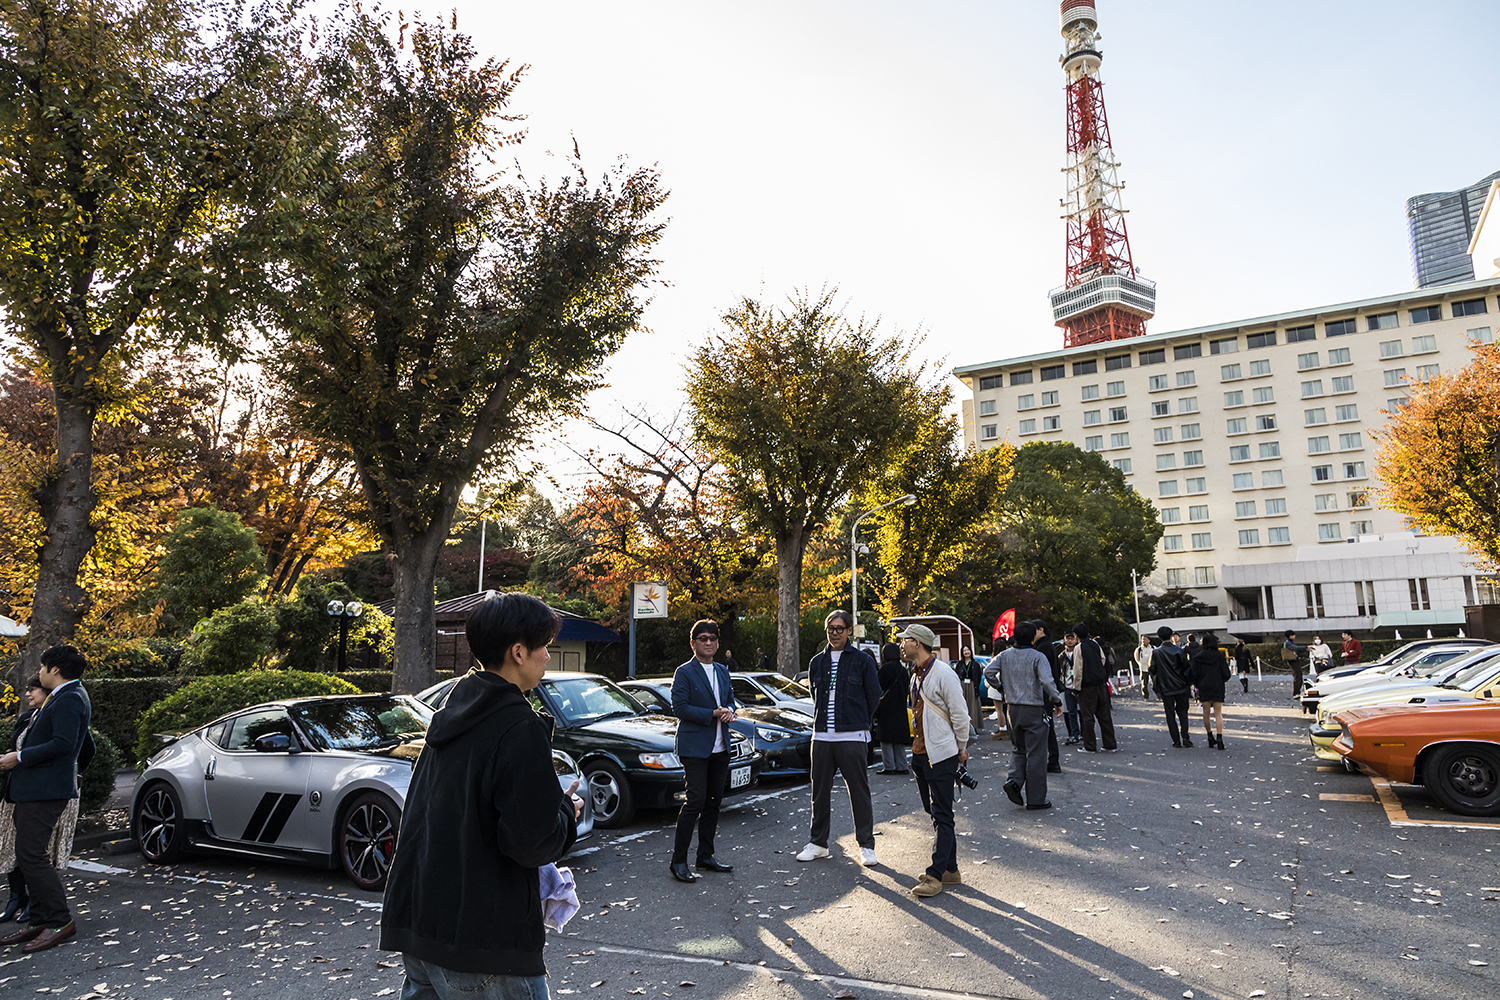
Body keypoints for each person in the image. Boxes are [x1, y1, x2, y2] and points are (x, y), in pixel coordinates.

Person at [379, 593, 582, 999]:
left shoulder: (451, 715)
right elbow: (531, 842)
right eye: (544, 647)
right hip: (485, 942)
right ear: (519, 652)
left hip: (420, 926)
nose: (547, 656)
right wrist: (564, 812)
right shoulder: (517, 726)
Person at [0, 645, 95, 954]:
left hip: (45, 790)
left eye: (42, 667)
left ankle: (59, 920)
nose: (39, 673)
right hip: (35, 789)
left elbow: (65, 745)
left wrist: (19, 756)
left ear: (55, 669)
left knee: (31, 855)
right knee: (29, 854)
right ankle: (40, 919)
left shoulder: (69, 698)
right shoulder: (64, 696)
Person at [796, 611, 881, 867]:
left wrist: (861, 723)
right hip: (821, 735)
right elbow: (815, 694)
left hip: (852, 735)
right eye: (831, 628)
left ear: (848, 631)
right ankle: (818, 843)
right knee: (819, 792)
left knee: (859, 791)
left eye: (840, 628)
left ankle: (866, 845)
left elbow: (874, 695)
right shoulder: (816, 663)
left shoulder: (862, 661)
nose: (835, 632)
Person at [897, 624, 969, 900]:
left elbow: (960, 714)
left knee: (942, 814)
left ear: (918, 643)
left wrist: (961, 748)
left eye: (905, 640)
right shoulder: (915, 675)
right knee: (934, 811)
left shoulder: (943, 674)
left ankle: (936, 874)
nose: (901, 645)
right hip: (920, 753)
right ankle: (950, 869)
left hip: (940, 754)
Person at [665, 619, 738, 883]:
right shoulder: (684, 672)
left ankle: (705, 856)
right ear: (693, 642)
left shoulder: (722, 670)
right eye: (703, 638)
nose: (708, 642)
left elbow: (729, 698)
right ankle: (678, 861)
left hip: (720, 747)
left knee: (713, 803)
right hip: (695, 747)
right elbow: (680, 708)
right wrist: (713, 714)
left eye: (712, 638)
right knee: (694, 801)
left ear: (718, 643)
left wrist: (730, 709)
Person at [993, 622, 1063, 812]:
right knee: (1036, 754)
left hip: (1012, 709)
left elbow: (988, 672)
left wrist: (1000, 687)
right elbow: (1047, 681)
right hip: (1033, 708)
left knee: (1018, 748)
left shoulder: (1004, 655)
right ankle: (1036, 799)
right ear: (1032, 638)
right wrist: (1056, 700)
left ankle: (1014, 781)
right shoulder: (1037, 656)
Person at [0, 677, 47, 924]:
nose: (28, 694)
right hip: (15, 791)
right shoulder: (27, 717)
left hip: (38, 793)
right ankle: (16, 898)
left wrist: (76, 771)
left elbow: (78, 748)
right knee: (12, 847)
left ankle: (38, 904)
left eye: (33, 689)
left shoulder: (54, 715)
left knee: (32, 851)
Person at [1071, 624, 1118, 753]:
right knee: (1104, 715)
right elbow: (1103, 659)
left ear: (1076, 635)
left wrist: (1076, 688)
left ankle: (1090, 745)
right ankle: (1110, 744)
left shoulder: (1079, 648)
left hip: (1087, 686)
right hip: (1100, 683)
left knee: (1087, 716)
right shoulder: (1095, 644)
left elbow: (1078, 669)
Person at [1029, 621, 1064, 773]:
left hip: (1043, 694)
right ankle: (1052, 760)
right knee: (1047, 727)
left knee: (1045, 728)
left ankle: (1052, 760)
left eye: (1033, 630)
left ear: (1041, 630)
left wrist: (1054, 697)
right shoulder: (1049, 646)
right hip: (1048, 693)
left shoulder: (1042, 648)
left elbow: (1046, 676)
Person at [1150, 626, 1193, 748]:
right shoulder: (1179, 650)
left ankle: (1176, 740)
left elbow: (1152, 668)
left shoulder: (1156, 652)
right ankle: (1185, 737)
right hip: (1181, 685)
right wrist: (1188, 682)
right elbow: (1186, 668)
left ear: (1159, 637)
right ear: (1171, 636)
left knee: (1170, 714)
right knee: (1183, 712)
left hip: (1166, 686)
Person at [875, 642, 912, 774]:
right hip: (900, 707)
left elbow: (878, 688)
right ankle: (902, 766)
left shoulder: (885, 669)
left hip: (886, 708)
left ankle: (889, 766)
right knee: (898, 739)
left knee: (885, 738)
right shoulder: (903, 670)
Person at [1191, 632, 1232, 750]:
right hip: (1217, 686)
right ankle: (1219, 738)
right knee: (1218, 713)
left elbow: (1194, 674)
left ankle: (1209, 735)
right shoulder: (1219, 656)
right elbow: (1225, 674)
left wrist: (1197, 684)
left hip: (1204, 686)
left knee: (1206, 713)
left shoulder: (1198, 657)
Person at [1057, 631, 1083, 745]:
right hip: (1067, 686)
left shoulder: (1079, 652)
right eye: (1067, 638)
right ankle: (1074, 734)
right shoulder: (1061, 656)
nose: (1070, 640)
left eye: (1072, 638)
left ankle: (1084, 733)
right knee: (1071, 712)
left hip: (1080, 686)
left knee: (1082, 712)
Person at [953, 646, 985, 737]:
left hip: (972, 686)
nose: (966, 652)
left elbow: (978, 677)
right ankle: (964, 727)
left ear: (971, 651)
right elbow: (956, 675)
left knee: (973, 706)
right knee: (963, 707)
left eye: (968, 650)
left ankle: (974, 727)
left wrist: (975, 686)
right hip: (962, 686)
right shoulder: (959, 664)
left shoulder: (975, 664)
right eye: (964, 650)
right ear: (962, 652)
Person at [1282, 630, 1309, 699]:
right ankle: (1296, 693)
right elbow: (1295, 648)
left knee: (1298, 675)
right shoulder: (1288, 642)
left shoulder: (1289, 642)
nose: (1294, 636)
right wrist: (1306, 647)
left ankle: (1297, 692)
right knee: (1297, 676)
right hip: (1293, 660)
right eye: (1293, 635)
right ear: (1290, 636)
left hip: (1293, 660)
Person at [1134, 633, 1155, 700]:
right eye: (1142, 639)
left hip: (1152, 667)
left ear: (1149, 640)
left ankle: (1159, 695)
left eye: (1145, 639)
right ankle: (1145, 696)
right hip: (1143, 668)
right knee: (1144, 683)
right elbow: (1137, 658)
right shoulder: (1139, 649)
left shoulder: (1153, 648)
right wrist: (1140, 664)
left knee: (1155, 682)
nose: (1143, 641)